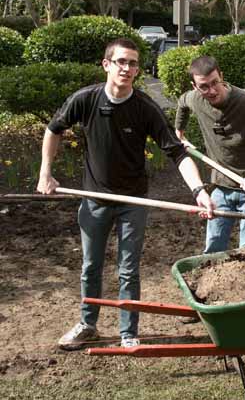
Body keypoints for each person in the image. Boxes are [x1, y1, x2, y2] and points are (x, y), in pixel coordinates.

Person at [37, 38, 214, 350]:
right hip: (94, 200)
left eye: (133, 63)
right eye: (121, 61)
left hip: (133, 202)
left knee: (128, 269)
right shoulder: (86, 100)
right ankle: (87, 324)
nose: (128, 68)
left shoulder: (145, 108)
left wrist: (199, 190)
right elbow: (53, 130)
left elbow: (177, 153)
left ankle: (127, 332)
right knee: (90, 266)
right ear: (107, 64)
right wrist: (45, 172)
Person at [175, 55, 245, 253]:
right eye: (204, 86)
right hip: (221, 188)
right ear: (195, 86)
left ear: (221, 76)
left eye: (215, 82)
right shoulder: (196, 99)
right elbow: (182, 103)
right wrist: (179, 134)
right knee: (213, 249)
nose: (212, 90)